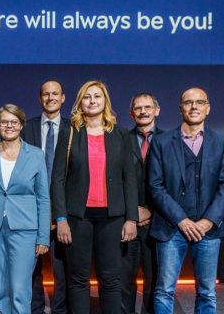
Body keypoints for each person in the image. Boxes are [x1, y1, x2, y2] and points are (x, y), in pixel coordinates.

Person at [51, 80, 138, 313]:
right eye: (87, 97)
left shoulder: (120, 134)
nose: (92, 101)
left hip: (112, 217)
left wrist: (131, 218)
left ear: (105, 101)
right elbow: (57, 180)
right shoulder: (69, 133)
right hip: (77, 217)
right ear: (80, 102)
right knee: (78, 279)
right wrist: (60, 219)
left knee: (110, 279)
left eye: (97, 96)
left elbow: (129, 179)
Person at [149, 88, 224, 314]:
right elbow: (156, 186)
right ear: (181, 108)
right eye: (188, 102)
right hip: (171, 227)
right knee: (164, 290)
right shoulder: (162, 142)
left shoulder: (220, 142)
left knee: (207, 291)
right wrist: (182, 220)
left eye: (200, 102)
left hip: (208, 230)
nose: (194, 106)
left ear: (208, 108)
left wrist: (208, 221)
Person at [0, 104, 51, 314]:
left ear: (21, 125)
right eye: (4, 122)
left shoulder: (35, 155)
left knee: (19, 289)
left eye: (14, 122)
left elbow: (43, 198)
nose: (9, 126)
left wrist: (43, 236)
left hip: (25, 229)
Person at [22, 81, 69, 314]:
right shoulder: (26, 128)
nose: (51, 98)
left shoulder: (74, 129)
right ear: (40, 98)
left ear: (63, 98)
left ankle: (60, 310)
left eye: (55, 94)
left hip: (64, 211)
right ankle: (36, 309)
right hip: (31, 210)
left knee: (62, 270)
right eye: (46, 94)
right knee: (31, 269)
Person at [121, 93, 162, 314]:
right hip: (127, 220)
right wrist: (132, 211)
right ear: (131, 113)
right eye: (138, 108)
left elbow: (173, 183)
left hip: (158, 222)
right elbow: (113, 180)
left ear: (157, 110)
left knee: (154, 280)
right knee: (124, 279)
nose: (143, 111)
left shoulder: (169, 140)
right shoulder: (121, 139)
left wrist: (151, 211)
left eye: (147, 107)